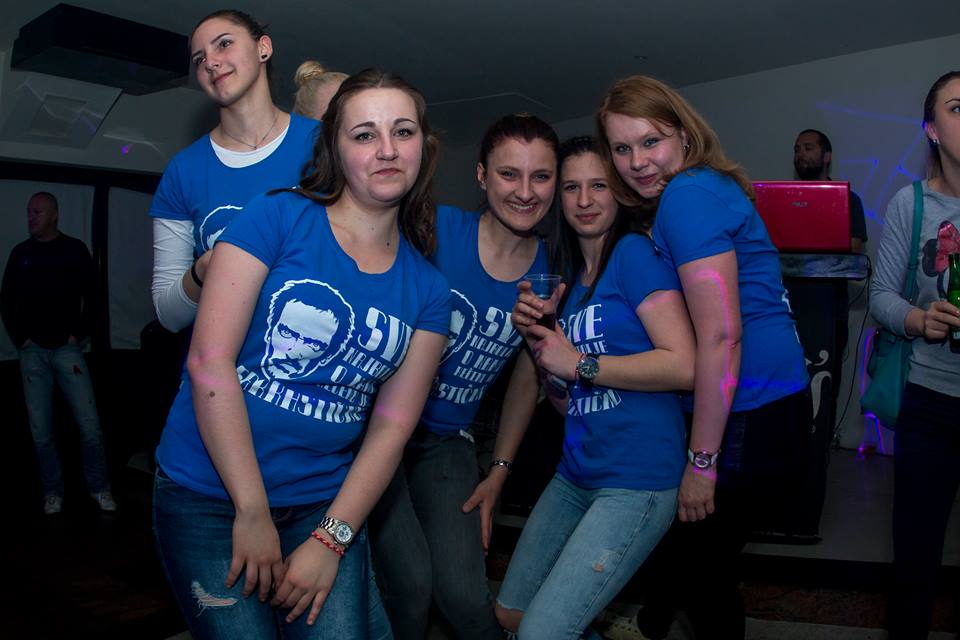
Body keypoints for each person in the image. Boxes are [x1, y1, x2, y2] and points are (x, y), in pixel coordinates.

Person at [151, 68, 449, 639]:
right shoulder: (276, 216)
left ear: (423, 146)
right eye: (364, 134)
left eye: (403, 131)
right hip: (209, 495)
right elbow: (208, 360)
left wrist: (331, 540)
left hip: (322, 504)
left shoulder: (429, 290)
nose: (387, 149)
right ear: (335, 148)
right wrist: (252, 510)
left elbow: (392, 426)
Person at [596, 75, 811, 640]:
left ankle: (650, 623)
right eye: (622, 148)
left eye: (651, 141)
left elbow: (721, 337)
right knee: (693, 549)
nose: (637, 162)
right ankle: (650, 623)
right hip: (771, 403)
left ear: (684, 135)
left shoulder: (687, 196)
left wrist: (702, 463)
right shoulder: (706, 187)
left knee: (705, 573)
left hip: (749, 411)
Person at [501, 136, 696, 639]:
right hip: (577, 471)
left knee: (541, 633)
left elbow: (683, 365)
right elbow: (567, 404)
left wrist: (580, 362)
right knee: (512, 613)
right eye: (571, 187)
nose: (584, 200)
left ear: (620, 193)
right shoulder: (570, 280)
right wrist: (542, 343)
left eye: (598, 186)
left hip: (636, 478)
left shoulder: (634, 254)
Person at [368, 113, 554, 639]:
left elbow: (527, 380)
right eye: (508, 174)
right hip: (378, 429)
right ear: (481, 175)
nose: (525, 192)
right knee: (409, 585)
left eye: (540, 176)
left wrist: (498, 472)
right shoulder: (436, 230)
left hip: (447, 441)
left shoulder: (549, 269)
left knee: (466, 597)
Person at [150, 9, 319, 334]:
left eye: (224, 44)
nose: (210, 62)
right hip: (219, 360)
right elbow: (168, 316)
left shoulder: (324, 144)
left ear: (263, 48)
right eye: (199, 59)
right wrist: (207, 267)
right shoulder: (183, 171)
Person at [873, 70, 960, 640]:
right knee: (915, 557)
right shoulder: (912, 202)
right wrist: (918, 320)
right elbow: (881, 294)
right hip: (930, 402)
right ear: (931, 128)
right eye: (958, 107)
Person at [1, 192, 116, 515]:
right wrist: (21, 339)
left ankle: (100, 488)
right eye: (28, 212)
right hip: (32, 352)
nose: (31, 217)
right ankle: (53, 492)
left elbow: (94, 295)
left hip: (67, 349)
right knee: (41, 431)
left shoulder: (73, 250)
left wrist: (79, 333)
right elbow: (6, 299)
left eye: (37, 212)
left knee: (90, 426)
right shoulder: (21, 253)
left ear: (53, 215)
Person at [793, 128, 868, 253]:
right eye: (797, 150)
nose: (800, 154)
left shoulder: (849, 200)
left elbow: (853, 251)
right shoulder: (786, 199)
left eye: (808, 148)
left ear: (826, 157)